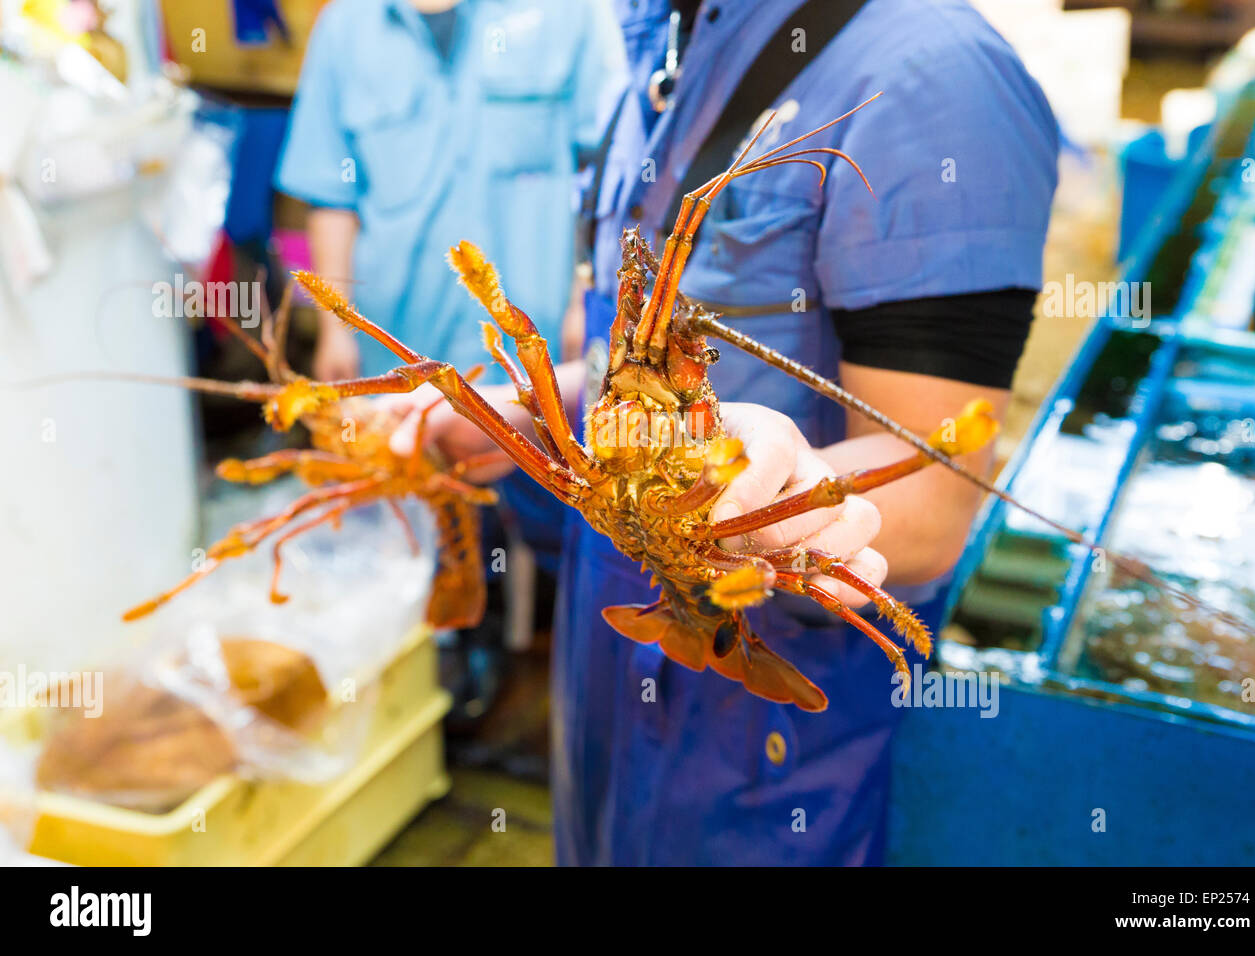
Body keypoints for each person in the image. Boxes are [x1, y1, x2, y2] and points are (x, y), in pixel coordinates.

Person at [387, 0, 1060, 865]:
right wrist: (511, 414)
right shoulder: (658, 39)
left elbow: (934, 498)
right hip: (604, 673)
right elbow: (615, 365)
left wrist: (777, 480)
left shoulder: (937, 74)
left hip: (761, 721)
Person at [275, 0, 627, 381]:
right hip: (393, 357)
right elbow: (333, 198)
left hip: (541, 358)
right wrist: (334, 329)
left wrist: (585, 301)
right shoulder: (344, 27)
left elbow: (608, 166)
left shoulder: (572, 12)